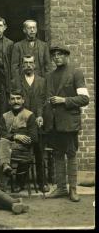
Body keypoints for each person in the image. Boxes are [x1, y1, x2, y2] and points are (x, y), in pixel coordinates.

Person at [44, 46, 89, 202]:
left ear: (66, 56)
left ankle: (73, 190)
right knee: (57, 155)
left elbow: (84, 99)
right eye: (54, 55)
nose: (56, 57)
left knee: (70, 155)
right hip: (54, 123)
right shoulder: (49, 76)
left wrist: (64, 100)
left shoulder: (75, 73)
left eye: (60, 55)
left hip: (69, 122)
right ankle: (61, 188)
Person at [11, 55, 48, 192]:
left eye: (30, 62)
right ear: (22, 65)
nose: (28, 65)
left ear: (35, 64)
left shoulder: (42, 81)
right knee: (22, 150)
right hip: (22, 121)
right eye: (25, 63)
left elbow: (42, 100)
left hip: (37, 122)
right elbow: (14, 102)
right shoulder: (16, 81)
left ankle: (41, 182)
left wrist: (39, 115)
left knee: (39, 151)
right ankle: (21, 182)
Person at [0, 90, 38, 191]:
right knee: (2, 143)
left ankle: (3, 185)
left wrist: (14, 137)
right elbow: (1, 133)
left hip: (24, 150)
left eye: (18, 98)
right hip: (7, 148)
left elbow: (33, 137)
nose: (15, 101)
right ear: (9, 101)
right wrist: (16, 136)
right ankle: (5, 169)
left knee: (2, 147)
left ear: (23, 100)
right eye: (13, 99)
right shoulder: (5, 116)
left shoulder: (29, 115)